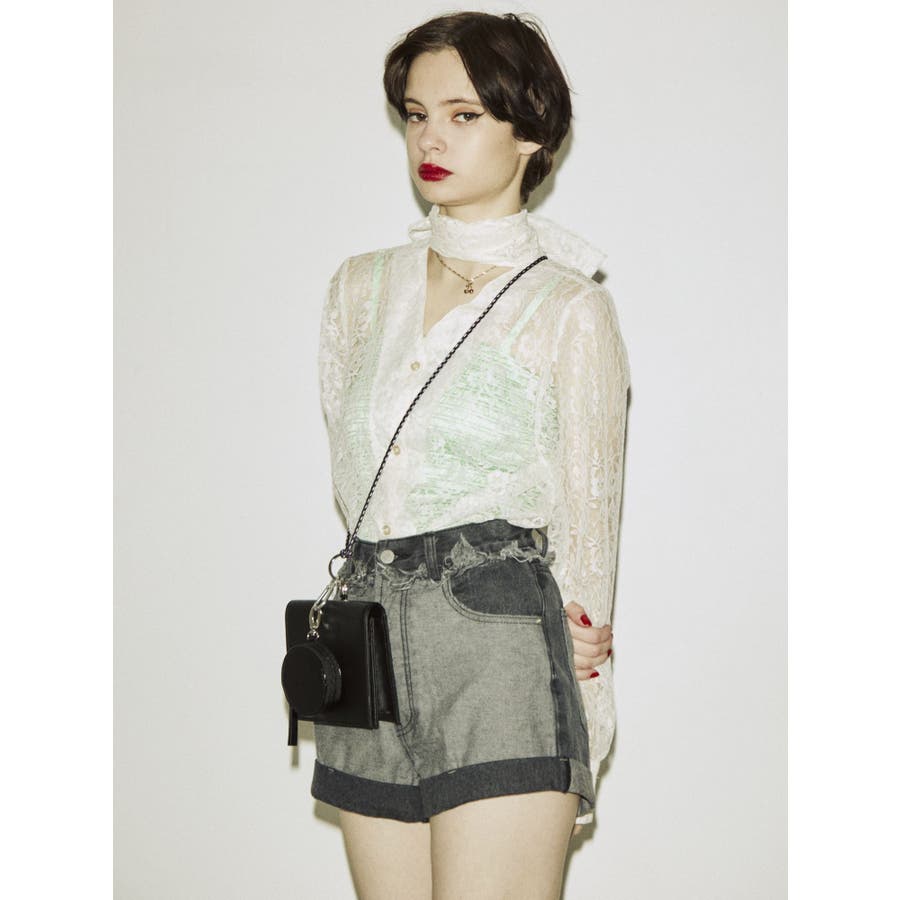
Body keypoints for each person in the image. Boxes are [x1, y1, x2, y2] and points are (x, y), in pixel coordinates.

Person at [312, 11, 630, 899]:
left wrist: (586, 714)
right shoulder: (358, 289)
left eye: (463, 115)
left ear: (529, 132)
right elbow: (360, 476)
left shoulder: (568, 307)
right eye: (417, 115)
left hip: (496, 634)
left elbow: (591, 526)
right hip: (366, 631)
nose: (431, 139)